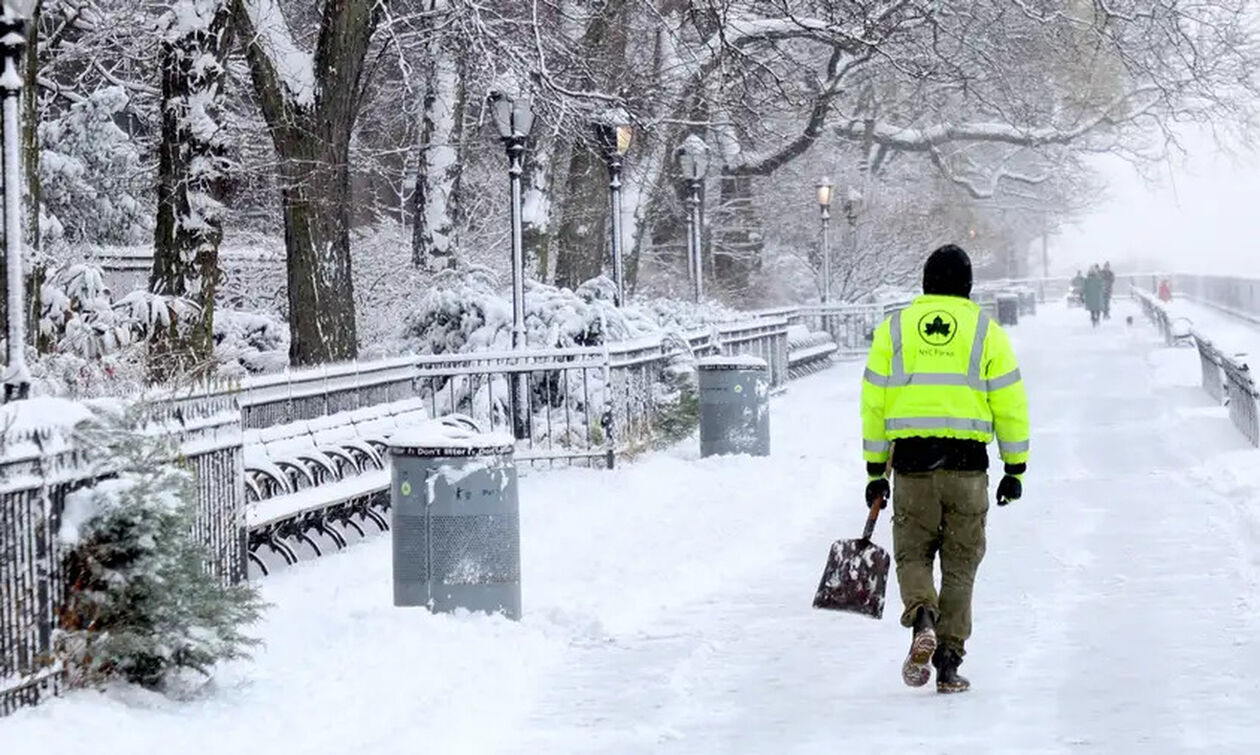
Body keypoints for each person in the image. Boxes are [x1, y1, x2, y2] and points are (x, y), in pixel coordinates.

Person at [861, 244, 1030, 694]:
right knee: (960, 564)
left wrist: (876, 470)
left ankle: (922, 616)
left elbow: (874, 405)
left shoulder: (893, 329)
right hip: (966, 469)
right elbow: (1010, 403)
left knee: (913, 553)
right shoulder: (985, 331)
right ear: (968, 285)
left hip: (912, 466)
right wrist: (1015, 466)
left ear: (925, 283)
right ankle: (949, 663)